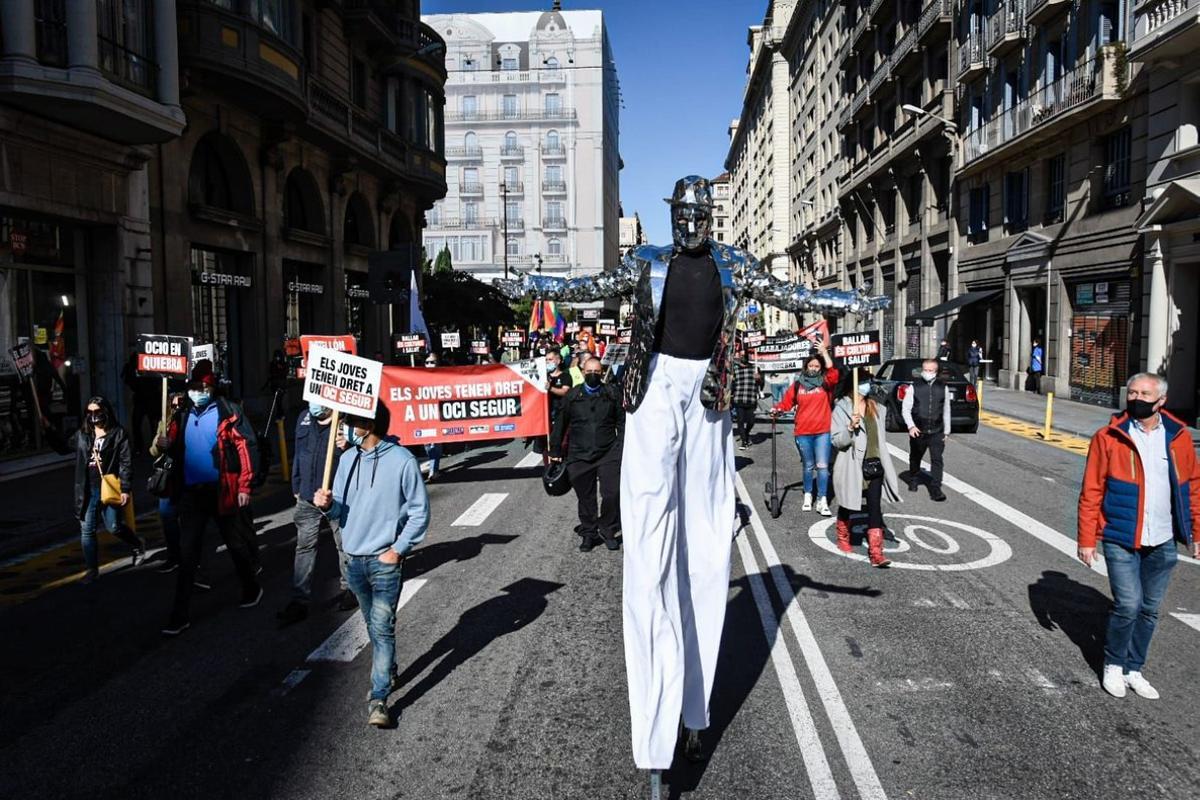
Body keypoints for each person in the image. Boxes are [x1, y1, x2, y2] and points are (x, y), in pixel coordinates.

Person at [496, 174, 888, 789]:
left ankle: (694, 708)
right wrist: (536, 284)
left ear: (710, 218)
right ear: (675, 216)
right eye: (681, 215)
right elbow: (586, 286)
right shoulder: (647, 260)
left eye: (697, 216)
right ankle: (655, 730)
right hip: (654, 392)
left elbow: (790, 295)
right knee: (650, 548)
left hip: (709, 397)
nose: (688, 225)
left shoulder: (733, 263)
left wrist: (851, 304)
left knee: (705, 547)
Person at [1077, 373, 1200, 699]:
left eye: (1144, 393)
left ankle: (1134, 669)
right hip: (1121, 536)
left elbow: (1192, 488)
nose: (1136, 398)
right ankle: (1114, 665)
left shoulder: (1178, 438)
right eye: (1132, 392)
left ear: (1161, 401)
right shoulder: (1108, 437)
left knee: (1149, 609)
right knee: (1128, 605)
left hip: (1162, 540)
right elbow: (1091, 489)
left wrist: (1196, 533)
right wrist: (1087, 539)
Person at [314, 403, 429, 728]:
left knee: (381, 628)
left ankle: (379, 698)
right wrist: (327, 506)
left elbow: (420, 511)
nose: (344, 426)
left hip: (384, 563)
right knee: (372, 626)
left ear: (369, 423)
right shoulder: (347, 459)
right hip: (353, 562)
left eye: (349, 420)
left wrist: (398, 549)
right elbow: (339, 512)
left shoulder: (402, 461)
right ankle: (389, 667)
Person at [160, 368, 262, 636]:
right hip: (192, 494)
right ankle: (179, 615)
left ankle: (251, 587)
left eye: (203, 388)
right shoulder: (182, 415)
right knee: (187, 554)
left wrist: (245, 485)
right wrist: (165, 443)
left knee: (235, 544)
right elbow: (175, 448)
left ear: (213, 389)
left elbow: (245, 448)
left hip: (222, 490)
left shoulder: (227, 413)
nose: (198, 393)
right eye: (194, 387)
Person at [277, 402, 355, 626]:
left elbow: (365, 454)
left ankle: (351, 588)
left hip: (337, 498)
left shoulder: (347, 422)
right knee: (304, 548)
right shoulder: (304, 418)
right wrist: (296, 485)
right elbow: (299, 454)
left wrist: (349, 444)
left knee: (344, 544)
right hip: (307, 496)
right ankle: (300, 600)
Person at [549, 356, 624, 552]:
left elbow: (622, 423)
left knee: (612, 493)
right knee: (586, 497)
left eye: (597, 372)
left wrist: (621, 447)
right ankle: (589, 532)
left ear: (602, 373)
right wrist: (555, 450)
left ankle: (608, 530)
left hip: (608, 452)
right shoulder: (572, 396)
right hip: (579, 454)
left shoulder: (612, 393)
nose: (593, 375)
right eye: (589, 372)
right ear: (583, 373)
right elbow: (560, 424)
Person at [831, 371, 902, 567]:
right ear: (853, 384)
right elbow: (837, 441)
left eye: (868, 381)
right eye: (862, 381)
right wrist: (849, 428)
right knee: (847, 503)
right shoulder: (842, 408)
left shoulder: (875, 406)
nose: (867, 385)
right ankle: (843, 537)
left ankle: (876, 552)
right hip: (852, 465)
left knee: (874, 509)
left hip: (874, 464)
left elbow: (881, 437)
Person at [72, 396, 145, 583]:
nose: (94, 416)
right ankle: (91, 569)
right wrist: (46, 428)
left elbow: (126, 463)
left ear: (105, 412)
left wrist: (125, 489)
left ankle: (137, 544)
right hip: (88, 488)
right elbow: (63, 446)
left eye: (97, 412)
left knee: (113, 527)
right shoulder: (82, 434)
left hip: (110, 487)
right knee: (87, 530)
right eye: (90, 413)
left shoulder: (118, 434)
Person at [771, 341, 838, 515]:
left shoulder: (826, 383)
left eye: (817, 366)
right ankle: (808, 495)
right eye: (811, 365)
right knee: (808, 466)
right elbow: (786, 402)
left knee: (822, 466)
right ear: (806, 366)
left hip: (823, 431)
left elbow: (834, 373)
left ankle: (822, 499)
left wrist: (824, 352)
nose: (814, 368)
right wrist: (777, 409)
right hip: (803, 432)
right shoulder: (798, 385)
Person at [901, 358, 951, 502]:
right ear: (922, 370)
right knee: (915, 457)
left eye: (931, 370)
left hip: (937, 430)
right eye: (926, 370)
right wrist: (911, 426)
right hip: (918, 430)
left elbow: (946, 410)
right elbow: (906, 409)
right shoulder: (914, 387)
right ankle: (914, 478)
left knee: (937, 460)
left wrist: (947, 431)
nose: (928, 373)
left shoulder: (943, 387)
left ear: (936, 372)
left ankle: (936, 489)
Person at [730, 347, 761, 451]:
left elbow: (761, 384)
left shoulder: (755, 368)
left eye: (744, 356)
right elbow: (732, 384)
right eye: (741, 355)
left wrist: (759, 379)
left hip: (751, 399)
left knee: (751, 421)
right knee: (740, 421)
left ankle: (746, 434)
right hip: (739, 399)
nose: (742, 357)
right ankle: (744, 441)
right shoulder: (735, 369)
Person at [421, 353, 443, 481]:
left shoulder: (442, 377)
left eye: (432, 362)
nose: (429, 365)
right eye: (427, 362)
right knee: (427, 444)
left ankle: (433, 470)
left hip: (438, 415)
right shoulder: (419, 377)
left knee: (435, 442)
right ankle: (434, 465)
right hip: (423, 415)